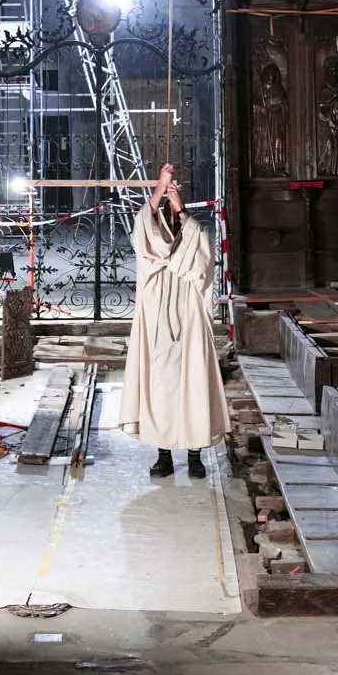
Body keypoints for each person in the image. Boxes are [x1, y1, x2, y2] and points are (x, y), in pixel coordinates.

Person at [120, 162, 228, 479]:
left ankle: (195, 456)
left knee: (193, 384)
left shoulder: (195, 237)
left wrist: (180, 208)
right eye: (165, 215)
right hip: (158, 323)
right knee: (161, 388)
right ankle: (164, 455)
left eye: (173, 215)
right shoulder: (151, 249)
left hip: (190, 320)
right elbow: (142, 226)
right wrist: (158, 188)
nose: (169, 217)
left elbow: (202, 255)